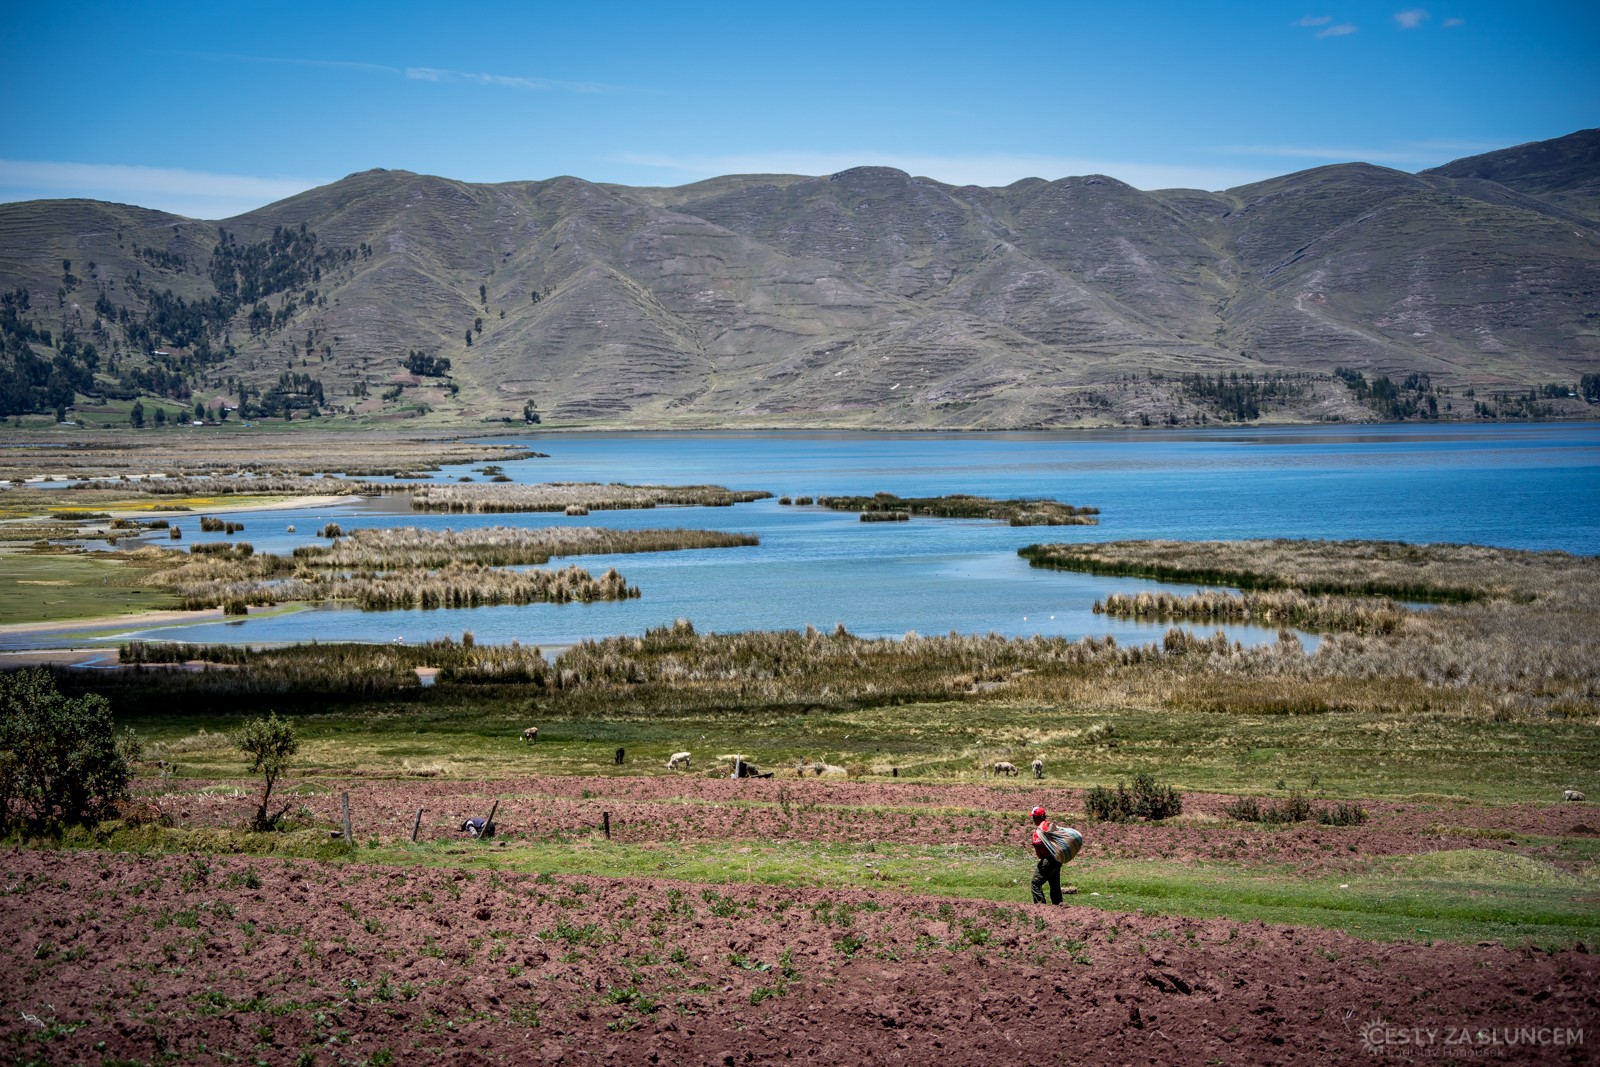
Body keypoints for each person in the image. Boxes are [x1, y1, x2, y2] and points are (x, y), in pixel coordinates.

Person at [1029, 804, 1063, 905]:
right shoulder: (1051, 826)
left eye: (1033, 818)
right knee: (1054, 884)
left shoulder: (1039, 831)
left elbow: (1038, 848)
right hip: (1057, 858)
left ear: (1036, 818)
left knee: (1035, 883)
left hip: (1047, 860)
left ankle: (1040, 907)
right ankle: (1059, 906)